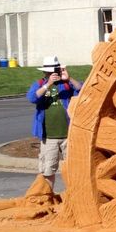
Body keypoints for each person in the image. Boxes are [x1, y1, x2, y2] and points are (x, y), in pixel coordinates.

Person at [26, 55, 81, 188]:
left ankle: (73, 193)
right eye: (49, 72)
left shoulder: (65, 84)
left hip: (69, 136)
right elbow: (32, 98)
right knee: (48, 169)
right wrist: (48, 84)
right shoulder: (40, 84)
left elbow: (82, 89)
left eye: (54, 71)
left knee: (74, 168)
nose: (52, 74)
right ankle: (48, 194)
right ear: (44, 72)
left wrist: (69, 78)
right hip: (49, 137)